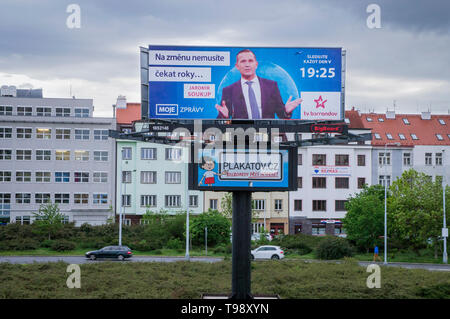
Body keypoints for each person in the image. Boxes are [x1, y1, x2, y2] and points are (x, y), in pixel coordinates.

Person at [215, 49, 302, 119]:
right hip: (241, 135)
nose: (247, 65)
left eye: (250, 61)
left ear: (256, 64)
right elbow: (223, 118)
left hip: (268, 134)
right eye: (243, 61)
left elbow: (281, 115)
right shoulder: (228, 90)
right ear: (237, 66)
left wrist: (286, 111)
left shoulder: (271, 86)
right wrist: (224, 116)